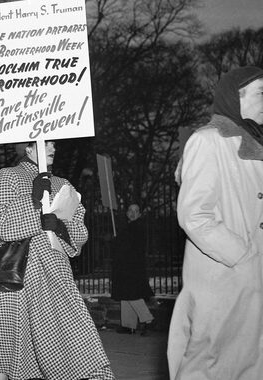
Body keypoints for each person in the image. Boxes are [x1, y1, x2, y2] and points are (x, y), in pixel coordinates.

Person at [0, 141, 114, 380]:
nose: (52, 147)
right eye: (46, 143)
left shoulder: (63, 184)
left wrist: (61, 227)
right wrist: (32, 202)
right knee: (2, 348)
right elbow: (2, 224)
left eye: (53, 143)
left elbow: (81, 232)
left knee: (71, 342)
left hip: (52, 272)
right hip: (14, 275)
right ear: (29, 148)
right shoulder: (8, 176)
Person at [168, 66, 263, 379]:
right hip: (223, 281)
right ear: (236, 98)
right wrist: (243, 256)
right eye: (261, 93)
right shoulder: (208, 142)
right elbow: (194, 214)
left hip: (252, 283)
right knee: (208, 366)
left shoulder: (257, 146)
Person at [110, 204, 154, 335]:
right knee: (126, 294)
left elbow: (128, 246)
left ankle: (148, 320)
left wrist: (116, 241)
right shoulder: (130, 226)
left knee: (132, 294)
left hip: (132, 267)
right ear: (127, 213)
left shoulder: (137, 227)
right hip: (126, 266)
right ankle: (128, 325)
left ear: (140, 214)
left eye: (136, 211)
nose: (133, 213)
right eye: (130, 210)